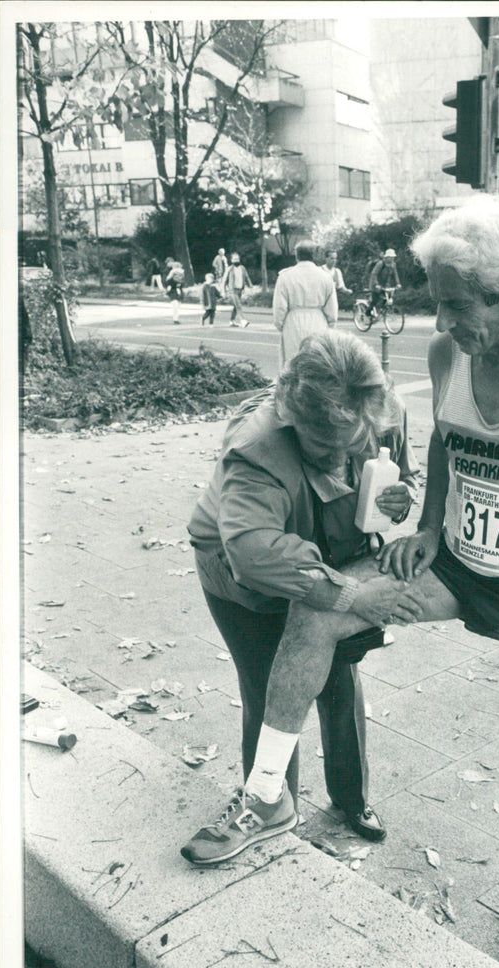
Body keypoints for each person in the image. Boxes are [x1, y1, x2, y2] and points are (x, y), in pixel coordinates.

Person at [187, 197, 499, 953]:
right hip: (454, 566)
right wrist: (427, 526)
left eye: (458, 306)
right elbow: (450, 444)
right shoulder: (449, 354)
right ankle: (265, 797)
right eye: (438, 303)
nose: (446, 322)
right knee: (318, 611)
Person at [182, 330, 419, 864]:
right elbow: (251, 550)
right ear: (290, 413)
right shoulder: (256, 446)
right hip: (244, 582)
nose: (340, 459)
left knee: (339, 682)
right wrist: (351, 594)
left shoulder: (384, 408)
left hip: (330, 551)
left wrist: (398, 500)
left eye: (352, 443)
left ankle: (351, 800)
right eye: (323, 447)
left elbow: (401, 477)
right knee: (271, 689)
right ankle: (268, 804)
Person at [272, 241, 338, 370]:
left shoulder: (286, 276)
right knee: (317, 363)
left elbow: (279, 307)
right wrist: (330, 325)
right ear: (314, 255)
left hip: (293, 322)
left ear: (296, 256)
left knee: (293, 363)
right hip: (319, 321)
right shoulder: (325, 277)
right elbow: (332, 308)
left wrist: (281, 325)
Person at [367, 248, 401, 317]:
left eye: (393, 257)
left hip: (384, 284)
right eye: (391, 257)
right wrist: (376, 284)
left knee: (387, 298)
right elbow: (374, 274)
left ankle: (380, 311)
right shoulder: (380, 264)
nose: (392, 259)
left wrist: (398, 283)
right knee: (375, 299)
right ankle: (368, 312)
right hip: (375, 284)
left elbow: (395, 274)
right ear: (387, 257)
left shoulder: (393, 265)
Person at [225, 252, 252, 328]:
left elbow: (246, 277)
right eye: (234, 259)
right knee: (238, 305)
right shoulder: (229, 269)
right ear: (231, 260)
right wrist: (223, 291)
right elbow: (224, 280)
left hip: (240, 290)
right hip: (232, 290)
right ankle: (243, 321)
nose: (236, 260)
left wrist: (250, 285)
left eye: (237, 258)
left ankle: (232, 321)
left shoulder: (242, 268)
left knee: (235, 306)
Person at [165, 259, 185, 324]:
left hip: (178, 291)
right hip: (174, 291)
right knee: (175, 305)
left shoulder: (181, 278)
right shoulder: (170, 279)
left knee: (177, 305)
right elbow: (168, 283)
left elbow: (182, 284)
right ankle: (175, 318)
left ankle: (176, 317)